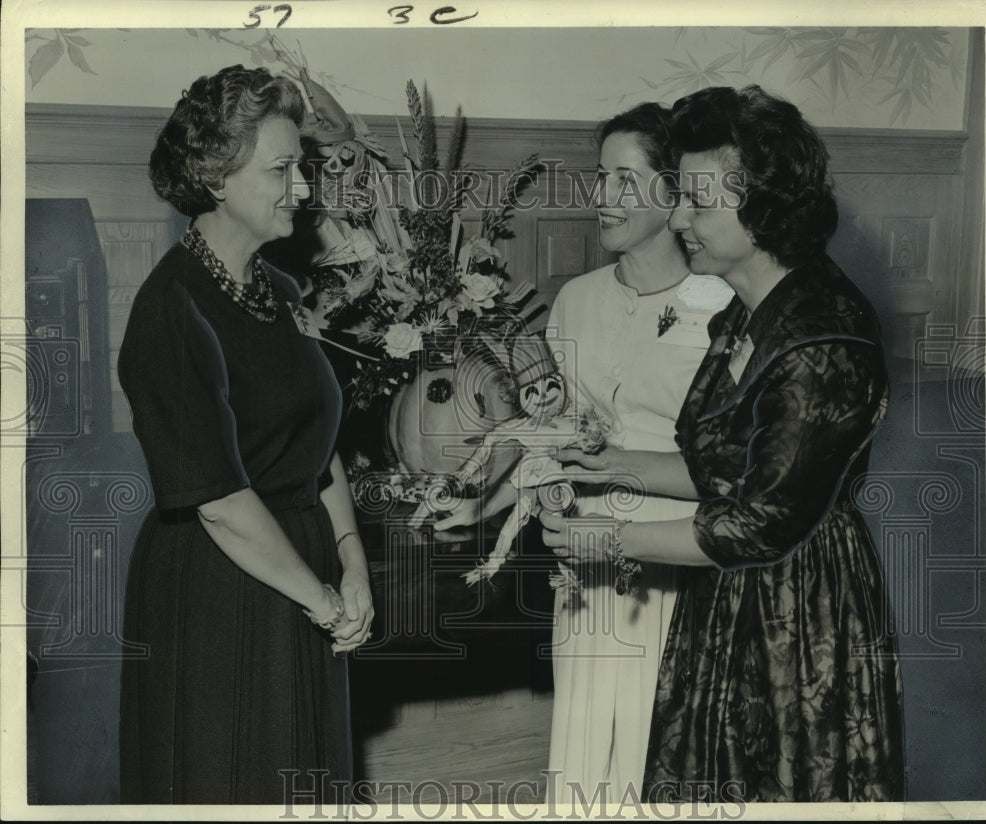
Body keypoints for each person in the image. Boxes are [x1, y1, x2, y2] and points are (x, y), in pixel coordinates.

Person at [540, 85, 905, 803]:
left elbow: (758, 521)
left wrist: (606, 541)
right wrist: (614, 465)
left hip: (797, 614)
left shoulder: (822, 334)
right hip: (729, 597)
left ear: (762, 207)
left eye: (697, 203)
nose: (678, 217)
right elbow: (721, 471)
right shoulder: (748, 310)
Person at [434, 103, 732, 802]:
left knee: (661, 755)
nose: (604, 198)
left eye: (627, 181)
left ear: (674, 192)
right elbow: (553, 439)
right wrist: (483, 502)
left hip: (679, 559)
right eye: (602, 178)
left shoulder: (723, 304)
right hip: (582, 565)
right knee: (587, 751)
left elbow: (738, 471)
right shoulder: (576, 299)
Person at [117, 65, 374, 804]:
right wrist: (322, 599)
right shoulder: (172, 307)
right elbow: (221, 500)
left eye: (304, 166)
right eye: (283, 169)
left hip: (301, 572)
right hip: (221, 589)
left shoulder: (282, 291)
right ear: (216, 176)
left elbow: (319, 450)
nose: (302, 188)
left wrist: (352, 562)